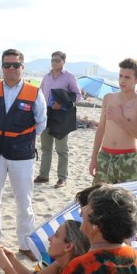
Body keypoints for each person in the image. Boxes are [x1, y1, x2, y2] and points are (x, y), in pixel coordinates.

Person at [0, 49, 46, 261]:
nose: (11, 69)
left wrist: (21, 139)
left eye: (15, 65)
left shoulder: (34, 92)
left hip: (22, 154)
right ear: (2, 67)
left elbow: (41, 123)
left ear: (23, 67)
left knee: (24, 201)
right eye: (7, 65)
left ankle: (25, 243)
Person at [89, 58, 137, 184]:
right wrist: (94, 157)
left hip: (128, 159)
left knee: (128, 202)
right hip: (105, 157)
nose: (122, 80)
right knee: (99, 201)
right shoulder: (108, 99)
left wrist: (120, 119)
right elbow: (101, 129)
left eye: (127, 77)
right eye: (120, 76)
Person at [34, 51, 82, 189]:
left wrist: (62, 104)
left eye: (57, 60)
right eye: (52, 60)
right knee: (46, 148)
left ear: (63, 62)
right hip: (46, 115)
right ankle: (44, 175)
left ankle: (62, 178)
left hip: (61, 116)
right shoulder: (46, 77)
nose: (54, 62)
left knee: (62, 149)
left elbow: (78, 96)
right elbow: (40, 94)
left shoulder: (69, 77)